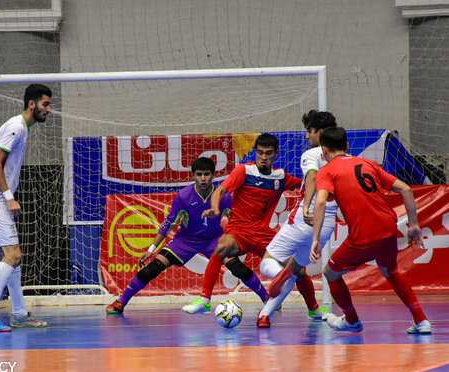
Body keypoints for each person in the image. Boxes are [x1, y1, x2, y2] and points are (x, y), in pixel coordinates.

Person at [106, 157, 270, 314]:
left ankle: (267, 299)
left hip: (214, 240)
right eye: (199, 174)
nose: (203, 178)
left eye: (207, 174)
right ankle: (121, 302)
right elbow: (168, 224)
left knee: (238, 268)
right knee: (151, 269)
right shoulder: (184, 197)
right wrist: (151, 249)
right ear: (193, 176)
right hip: (185, 241)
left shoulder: (224, 196)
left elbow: (238, 220)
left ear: (213, 175)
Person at [310, 126, 431, 334]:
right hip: (388, 228)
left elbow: (320, 202)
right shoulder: (367, 164)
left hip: (364, 235)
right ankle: (421, 321)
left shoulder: (327, 171)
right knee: (390, 271)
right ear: (347, 146)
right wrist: (414, 225)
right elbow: (406, 189)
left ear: (324, 152)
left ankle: (352, 320)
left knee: (330, 273)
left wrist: (315, 239)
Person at [183, 134, 303, 314]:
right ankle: (205, 300)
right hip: (238, 232)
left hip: (263, 234)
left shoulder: (281, 177)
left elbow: (305, 185)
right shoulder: (243, 171)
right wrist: (215, 208)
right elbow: (219, 191)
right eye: (260, 153)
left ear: (276, 154)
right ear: (255, 152)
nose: (263, 157)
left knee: (298, 267)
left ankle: (315, 310)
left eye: (268, 153)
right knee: (222, 247)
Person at [0, 84, 52, 332]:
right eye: (45, 104)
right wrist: (8, 197)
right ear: (32, 104)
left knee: (15, 257)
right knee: (13, 256)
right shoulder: (17, 127)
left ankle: (18, 314)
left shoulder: (22, 128)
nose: (48, 110)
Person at [256, 110, 337, 328]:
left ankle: (280, 274)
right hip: (327, 224)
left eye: (308, 131)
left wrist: (306, 208)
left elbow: (311, 176)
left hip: (306, 219)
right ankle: (264, 316)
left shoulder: (312, 154)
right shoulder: (341, 157)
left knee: (267, 263)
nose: (306, 136)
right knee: (295, 270)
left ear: (319, 132)